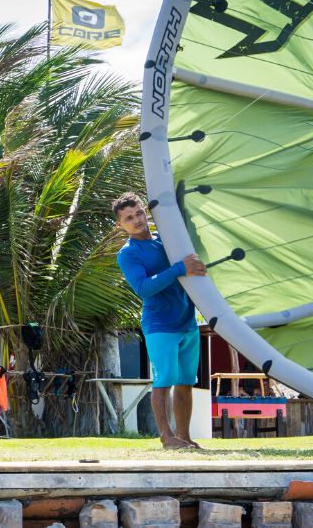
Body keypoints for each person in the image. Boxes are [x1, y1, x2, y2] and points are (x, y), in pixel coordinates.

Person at [113, 192, 206, 449]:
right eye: (129, 218)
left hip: (188, 320)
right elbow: (143, 288)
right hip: (159, 324)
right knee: (163, 380)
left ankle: (184, 437)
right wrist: (179, 269)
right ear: (120, 225)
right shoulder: (128, 254)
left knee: (186, 382)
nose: (137, 220)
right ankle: (167, 437)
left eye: (139, 213)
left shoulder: (167, 240)